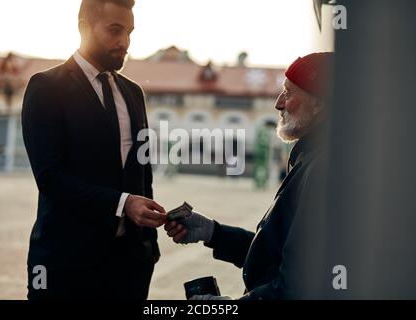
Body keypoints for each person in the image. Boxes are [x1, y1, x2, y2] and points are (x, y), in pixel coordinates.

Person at [22, 0, 167, 300]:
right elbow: (50, 178)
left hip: (129, 266)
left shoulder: (132, 92)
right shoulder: (46, 87)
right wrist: (123, 203)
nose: (125, 42)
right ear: (83, 28)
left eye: (129, 32)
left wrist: (149, 245)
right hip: (65, 264)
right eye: (115, 30)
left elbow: (142, 172)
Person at [165, 52, 335, 300]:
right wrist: (214, 233)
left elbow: (297, 287)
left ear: (320, 104)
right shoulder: (310, 157)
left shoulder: (322, 168)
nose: (278, 103)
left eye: (288, 93)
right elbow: (274, 255)